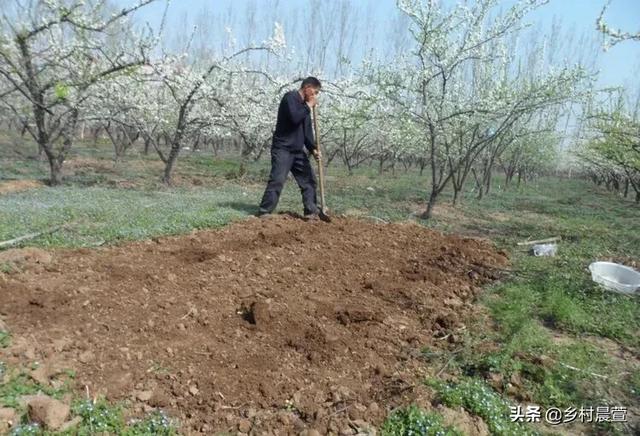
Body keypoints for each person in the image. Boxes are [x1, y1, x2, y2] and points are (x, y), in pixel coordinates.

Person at [257, 76, 322, 220]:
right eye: (315, 92)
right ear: (307, 88)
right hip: (283, 148)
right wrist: (309, 106)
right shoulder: (290, 98)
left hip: (298, 150)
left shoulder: (305, 106)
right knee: (278, 180)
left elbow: (307, 131)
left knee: (309, 180)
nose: (315, 96)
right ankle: (264, 211)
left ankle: (311, 211)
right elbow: (294, 117)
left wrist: (313, 149)